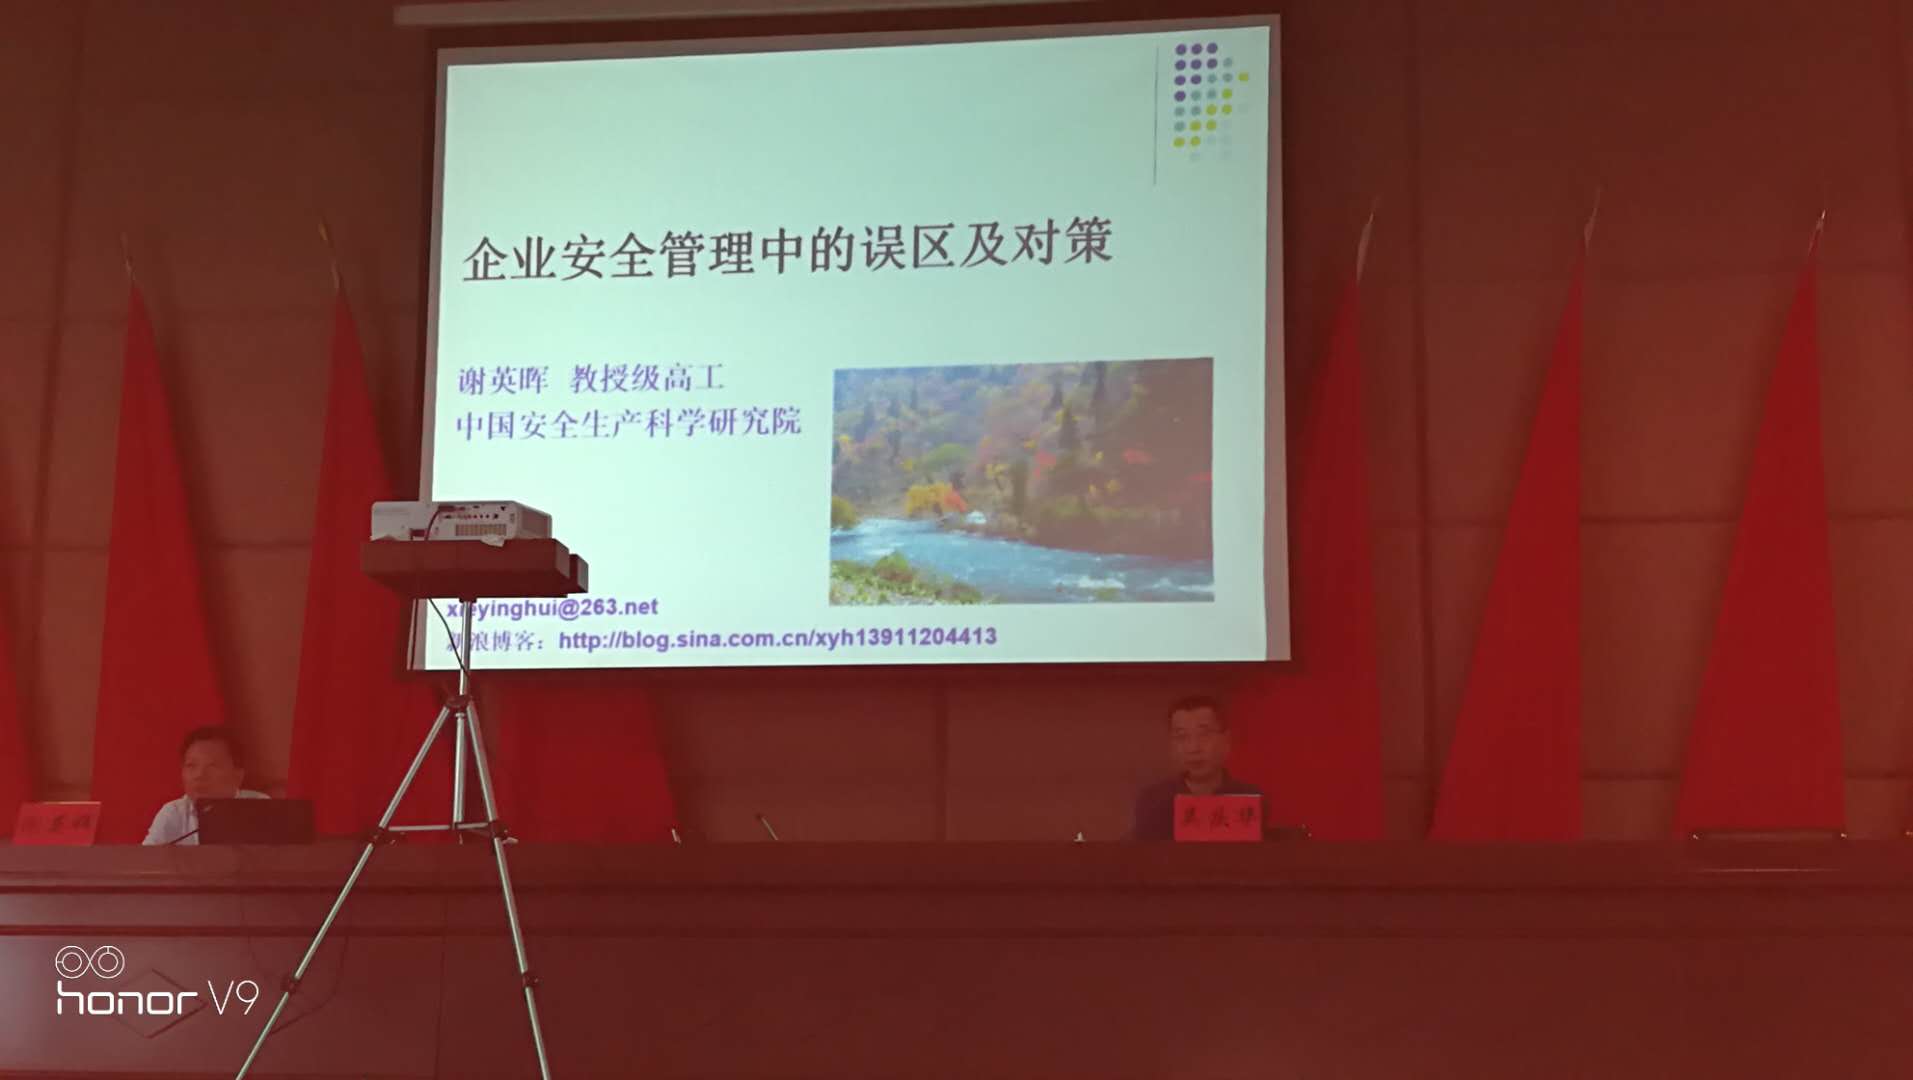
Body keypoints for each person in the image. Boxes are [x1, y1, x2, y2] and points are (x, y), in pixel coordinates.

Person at [1129, 695, 1261, 841]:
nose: (1194, 748)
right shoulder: (1154, 802)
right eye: (1182, 736)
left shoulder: (1250, 799)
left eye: (1204, 735)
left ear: (1226, 741)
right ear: (1172, 745)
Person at [142, 726, 269, 846]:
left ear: (238, 776)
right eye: (191, 765)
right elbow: (145, 859)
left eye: (212, 766)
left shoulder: (260, 807)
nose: (199, 775)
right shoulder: (174, 813)